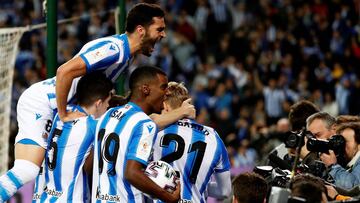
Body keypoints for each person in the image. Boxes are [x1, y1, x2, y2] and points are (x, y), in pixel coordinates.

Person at [0, 3, 194, 201]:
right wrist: (64, 113)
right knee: (28, 169)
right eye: (159, 29)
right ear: (141, 30)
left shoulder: (125, 56)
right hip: (44, 102)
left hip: (59, 105)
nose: (163, 35)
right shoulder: (114, 49)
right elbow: (64, 72)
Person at [92, 65, 180, 203]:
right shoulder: (145, 124)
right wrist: (168, 198)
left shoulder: (107, 115)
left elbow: (89, 164)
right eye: (163, 87)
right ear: (146, 89)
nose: (167, 93)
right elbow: (132, 173)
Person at [32, 72, 114, 202]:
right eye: (108, 102)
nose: (109, 106)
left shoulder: (60, 113)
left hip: (45, 197)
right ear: (98, 103)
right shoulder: (94, 126)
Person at [151, 82, 231, 202]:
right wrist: (199, 182)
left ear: (165, 106)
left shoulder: (152, 131)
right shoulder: (213, 137)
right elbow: (225, 191)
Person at [320, 122, 360, 190]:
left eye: (345, 141)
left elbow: (352, 186)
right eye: (340, 141)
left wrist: (332, 166)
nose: (341, 145)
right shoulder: (346, 161)